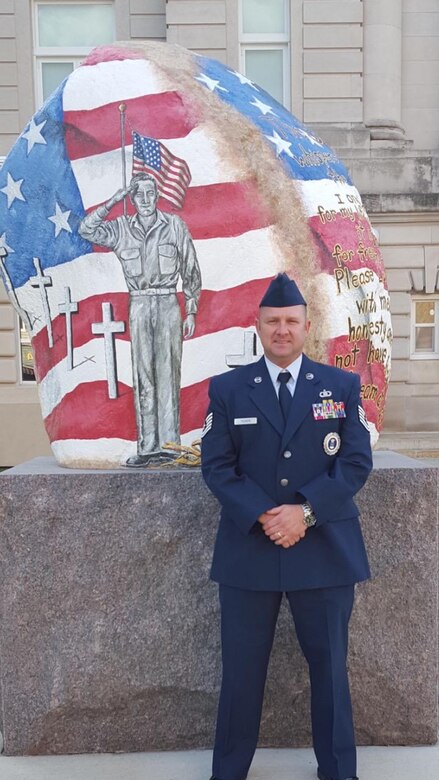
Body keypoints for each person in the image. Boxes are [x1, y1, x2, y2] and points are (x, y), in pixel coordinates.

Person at [201, 273, 372, 780]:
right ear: (258, 326)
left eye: (291, 322)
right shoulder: (229, 389)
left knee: (331, 675)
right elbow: (216, 466)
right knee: (241, 676)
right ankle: (228, 772)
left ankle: (339, 772)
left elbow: (356, 462)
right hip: (249, 552)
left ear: (307, 327)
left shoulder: (340, 387)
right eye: (273, 321)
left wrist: (306, 511)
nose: (282, 330)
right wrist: (263, 513)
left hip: (323, 551)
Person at [79, 173, 201, 466]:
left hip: (168, 302)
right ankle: (147, 448)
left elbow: (190, 268)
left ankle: (170, 446)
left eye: (150, 193)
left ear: (158, 195)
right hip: (140, 304)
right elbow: (86, 230)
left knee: (168, 375)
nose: (145, 200)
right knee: (143, 375)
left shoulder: (173, 225)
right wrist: (113, 201)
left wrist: (192, 309)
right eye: (138, 195)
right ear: (131, 200)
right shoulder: (121, 229)